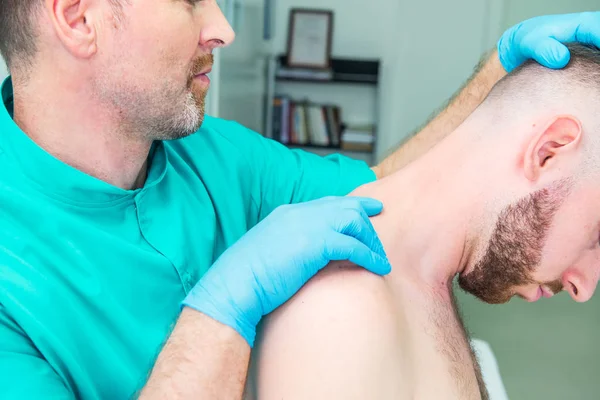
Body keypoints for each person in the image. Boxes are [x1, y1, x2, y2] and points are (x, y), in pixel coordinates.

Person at [0, 0, 597, 396]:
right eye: (188, 0)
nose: (222, 28)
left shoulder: (209, 154)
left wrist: (498, 73)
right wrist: (220, 311)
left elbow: (384, 194)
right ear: (79, 19)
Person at [246, 42, 600, 399]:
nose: (584, 288)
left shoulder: (424, 285)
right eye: (598, 237)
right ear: (548, 152)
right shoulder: (341, 313)